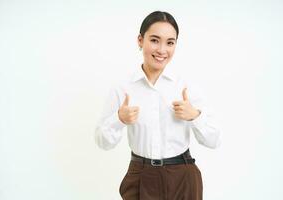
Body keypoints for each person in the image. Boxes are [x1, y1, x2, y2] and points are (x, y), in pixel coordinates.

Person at [95, 10, 221, 200]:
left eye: (170, 42)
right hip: (140, 175)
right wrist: (119, 119)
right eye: (154, 40)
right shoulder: (123, 88)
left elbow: (214, 140)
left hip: (182, 176)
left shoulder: (186, 86)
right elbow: (103, 142)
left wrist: (195, 115)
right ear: (140, 40)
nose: (162, 50)